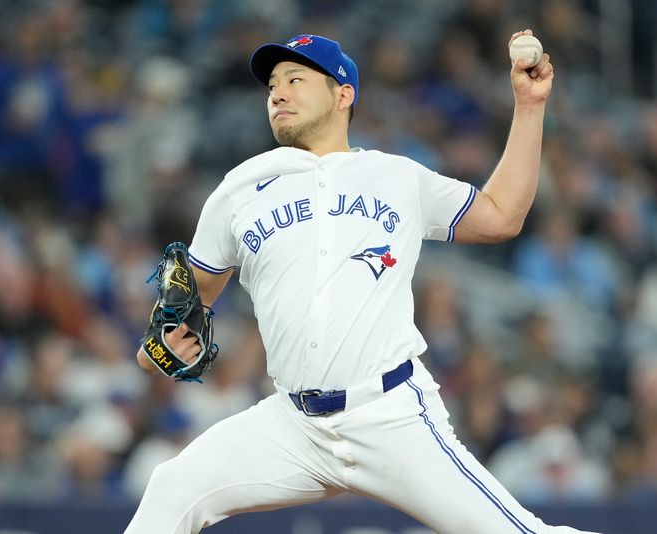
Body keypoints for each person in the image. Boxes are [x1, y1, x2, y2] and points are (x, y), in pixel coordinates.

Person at [126, 31, 598, 534]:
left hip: (390, 414)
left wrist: (528, 107)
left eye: (296, 79)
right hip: (293, 424)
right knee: (173, 488)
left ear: (343, 94)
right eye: (272, 86)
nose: (278, 93)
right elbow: (189, 303)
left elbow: (501, 215)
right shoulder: (239, 188)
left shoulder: (395, 176)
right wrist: (158, 348)